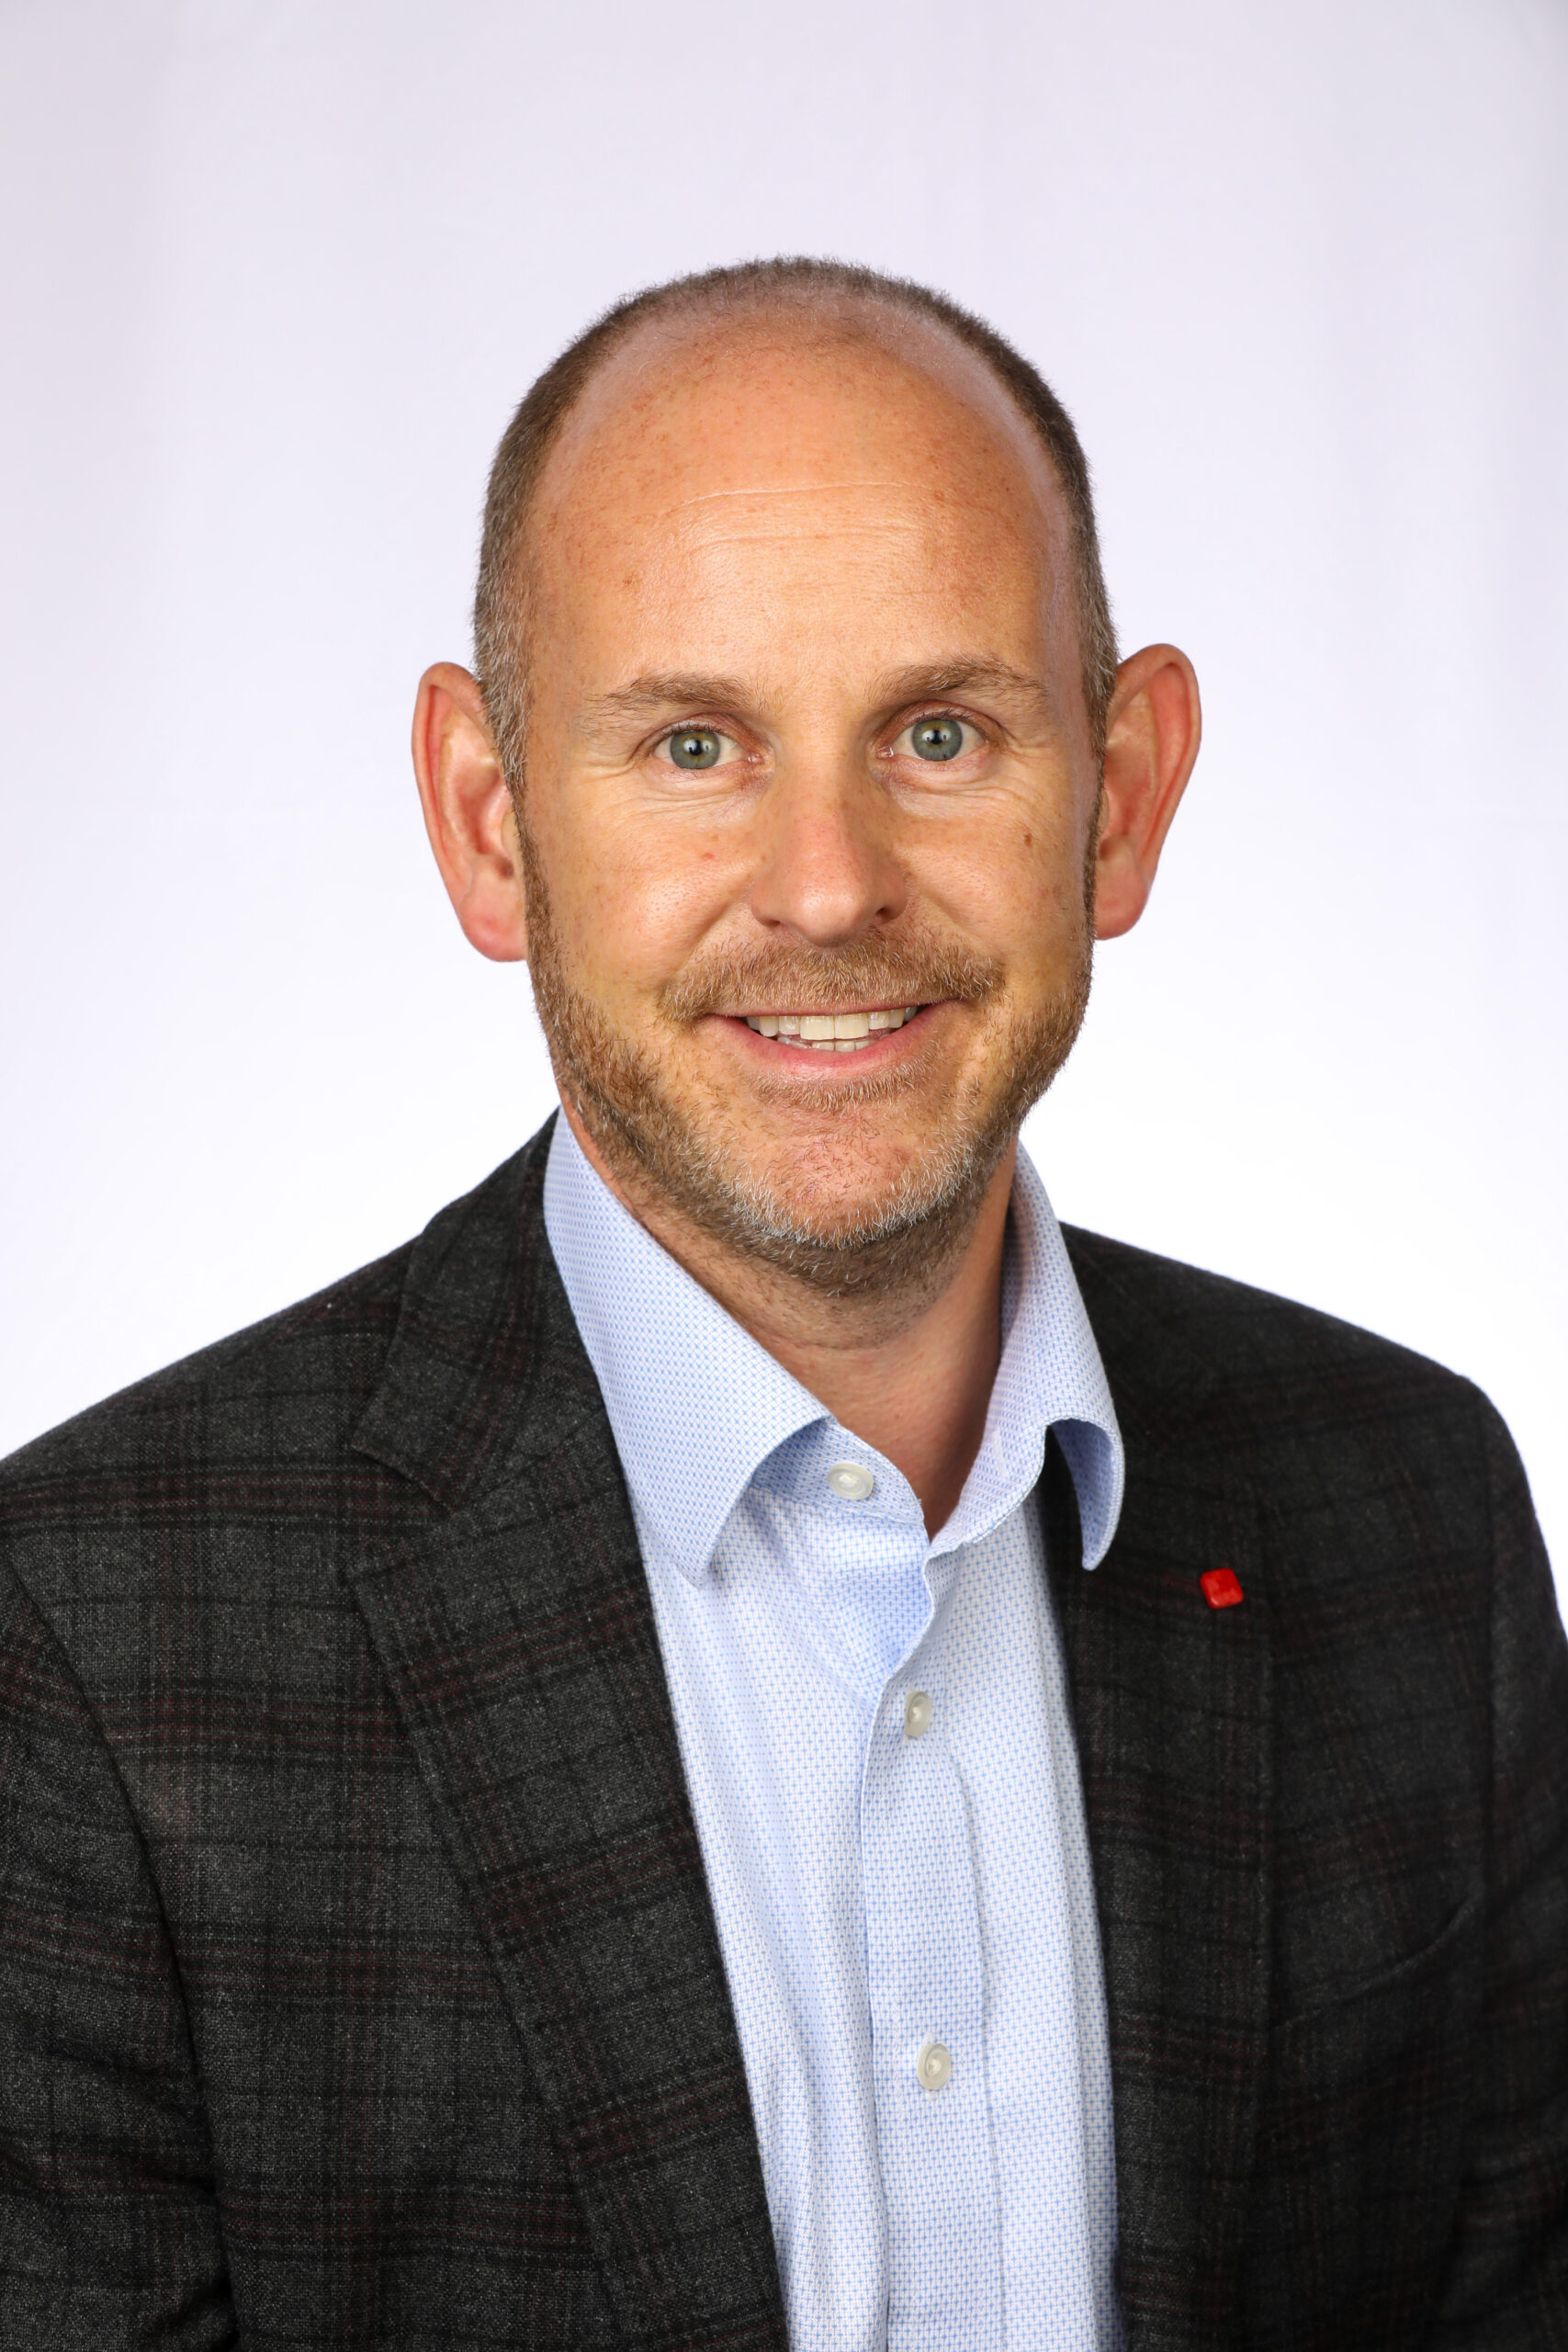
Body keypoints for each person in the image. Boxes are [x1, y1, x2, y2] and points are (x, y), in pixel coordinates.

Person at [0, 257, 1562, 2352]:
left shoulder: (1415, 1514)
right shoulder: (96, 1643)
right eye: (692, 743)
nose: (827, 883)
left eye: (940, 733)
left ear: (1120, 794)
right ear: (488, 822)